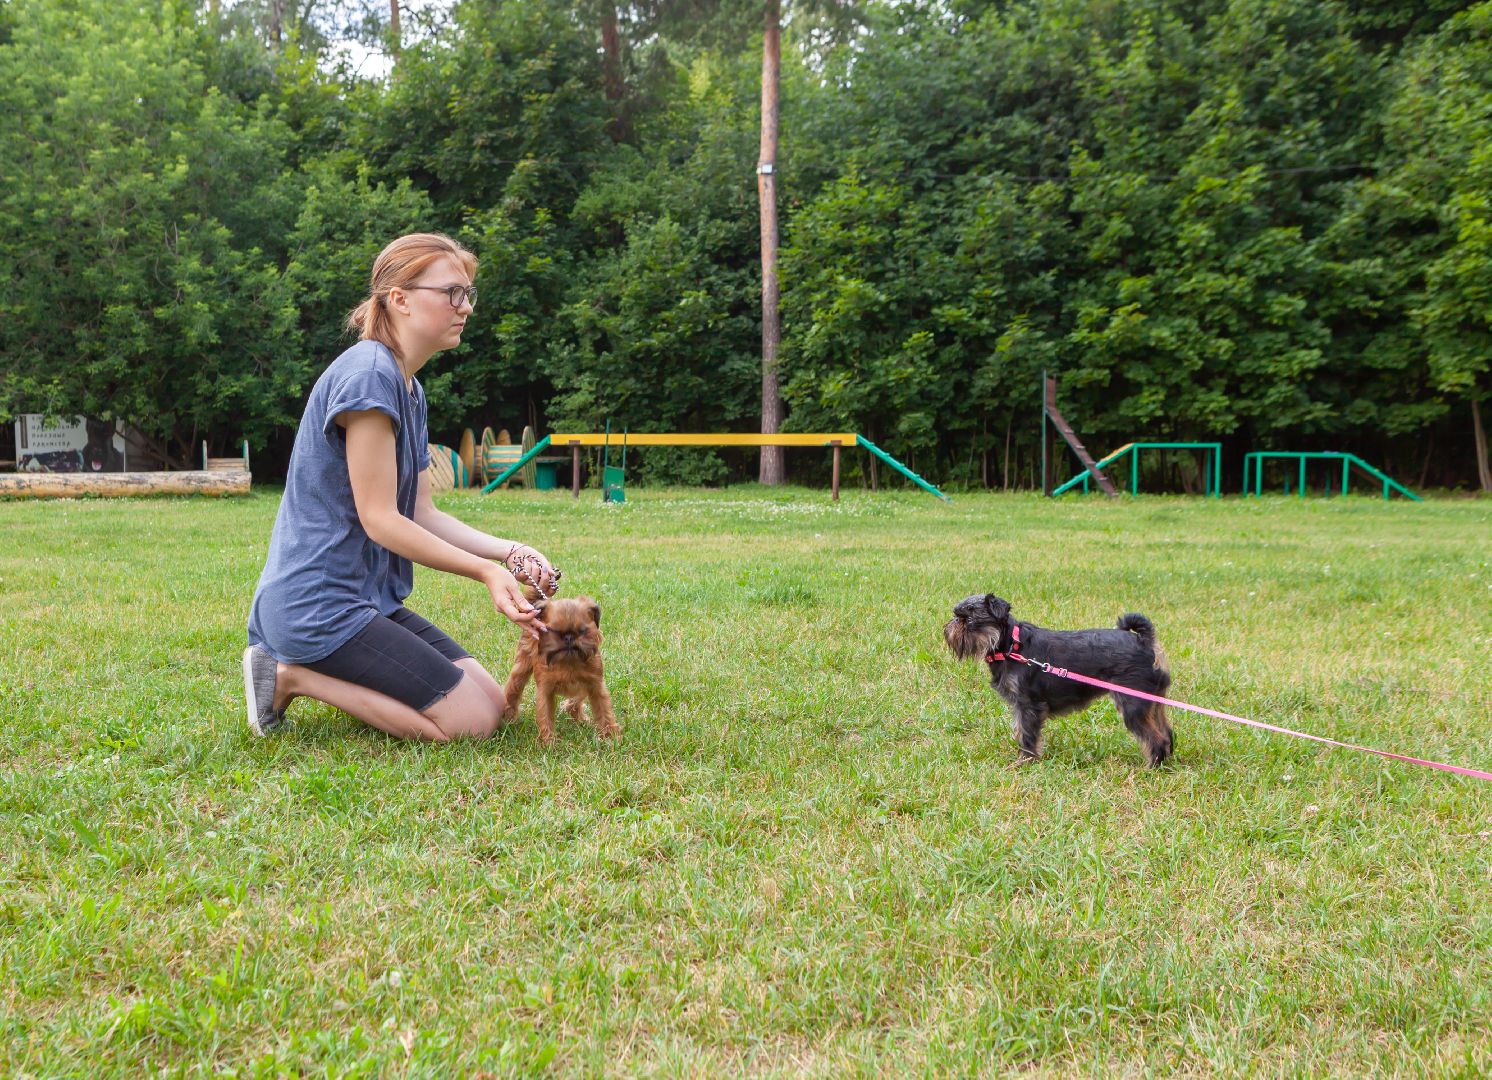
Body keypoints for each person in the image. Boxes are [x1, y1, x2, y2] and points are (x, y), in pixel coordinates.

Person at [242, 232, 555, 742]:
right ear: (400, 298)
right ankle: (286, 674)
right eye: (453, 292)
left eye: (468, 294)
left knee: (493, 705)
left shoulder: (408, 384)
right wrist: (483, 572)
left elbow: (419, 512)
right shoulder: (369, 377)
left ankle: (301, 670)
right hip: (317, 607)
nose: (466, 307)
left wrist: (510, 552)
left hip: (366, 602)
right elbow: (380, 519)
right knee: (469, 724)